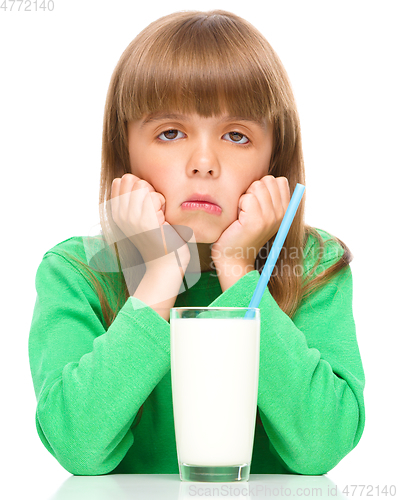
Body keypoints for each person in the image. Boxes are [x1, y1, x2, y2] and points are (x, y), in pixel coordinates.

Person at [28, 9, 365, 476]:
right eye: (170, 133)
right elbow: (77, 445)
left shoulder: (312, 266)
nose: (204, 162)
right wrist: (161, 275)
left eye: (236, 135)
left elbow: (322, 445)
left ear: (274, 159)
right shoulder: (77, 271)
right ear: (124, 149)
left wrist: (238, 271)